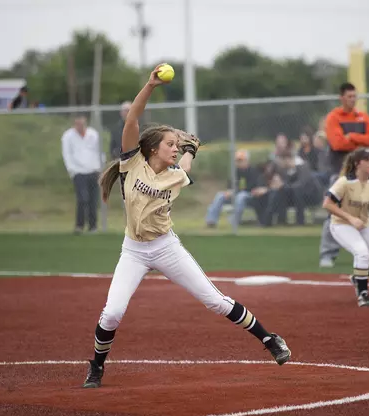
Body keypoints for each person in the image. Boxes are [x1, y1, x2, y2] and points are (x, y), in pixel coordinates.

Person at [82, 65, 291, 389]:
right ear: (152, 148)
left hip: (166, 246)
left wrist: (190, 149)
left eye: (177, 145)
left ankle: (269, 340)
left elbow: (186, 168)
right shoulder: (132, 162)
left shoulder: (175, 174)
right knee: (112, 314)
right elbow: (132, 120)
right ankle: (96, 367)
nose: (175, 148)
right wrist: (150, 86)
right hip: (134, 250)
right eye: (170, 144)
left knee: (215, 300)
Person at [321, 148, 369, 307]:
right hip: (341, 224)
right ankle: (363, 293)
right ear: (357, 163)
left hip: (364, 223)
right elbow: (327, 204)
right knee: (362, 252)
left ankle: (357, 278)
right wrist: (350, 218)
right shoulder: (345, 181)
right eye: (367, 159)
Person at [319, 82, 369, 268]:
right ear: (341, 98)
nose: (353, 100)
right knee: (334, 212)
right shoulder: (333, 117)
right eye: (349, 96)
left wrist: (351, 137)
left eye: (355, 96)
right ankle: (327, 255)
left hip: (363, 173)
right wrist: (359, 142)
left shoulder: (363, 117)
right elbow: (337, 144)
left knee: (366, 210)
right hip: (340, 172)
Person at [61, 116, 103, 234]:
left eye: (82, 123)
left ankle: (93, 226)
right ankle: (79, 226)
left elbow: (99, 151)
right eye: (77, 123)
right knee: (83, 199)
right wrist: (72, 170)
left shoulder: (93, 134)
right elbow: (67, 154)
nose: (80, 125)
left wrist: (100, 167)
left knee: (93, 200)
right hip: (78, 172)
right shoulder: (68, 136)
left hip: (94, 170)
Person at [205, 149, 264, 228]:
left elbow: (251, 187)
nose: (239, 162)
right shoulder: (235, 171)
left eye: (241, 160)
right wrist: (229, 191)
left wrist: (235, 191)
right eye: (237, 160)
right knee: (220, 195)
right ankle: (211, 221)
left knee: (241, 196)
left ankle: (235, 221)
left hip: (249, 196)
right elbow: (230, 184)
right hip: (236, 194)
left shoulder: (253, 171)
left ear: (247, 160)